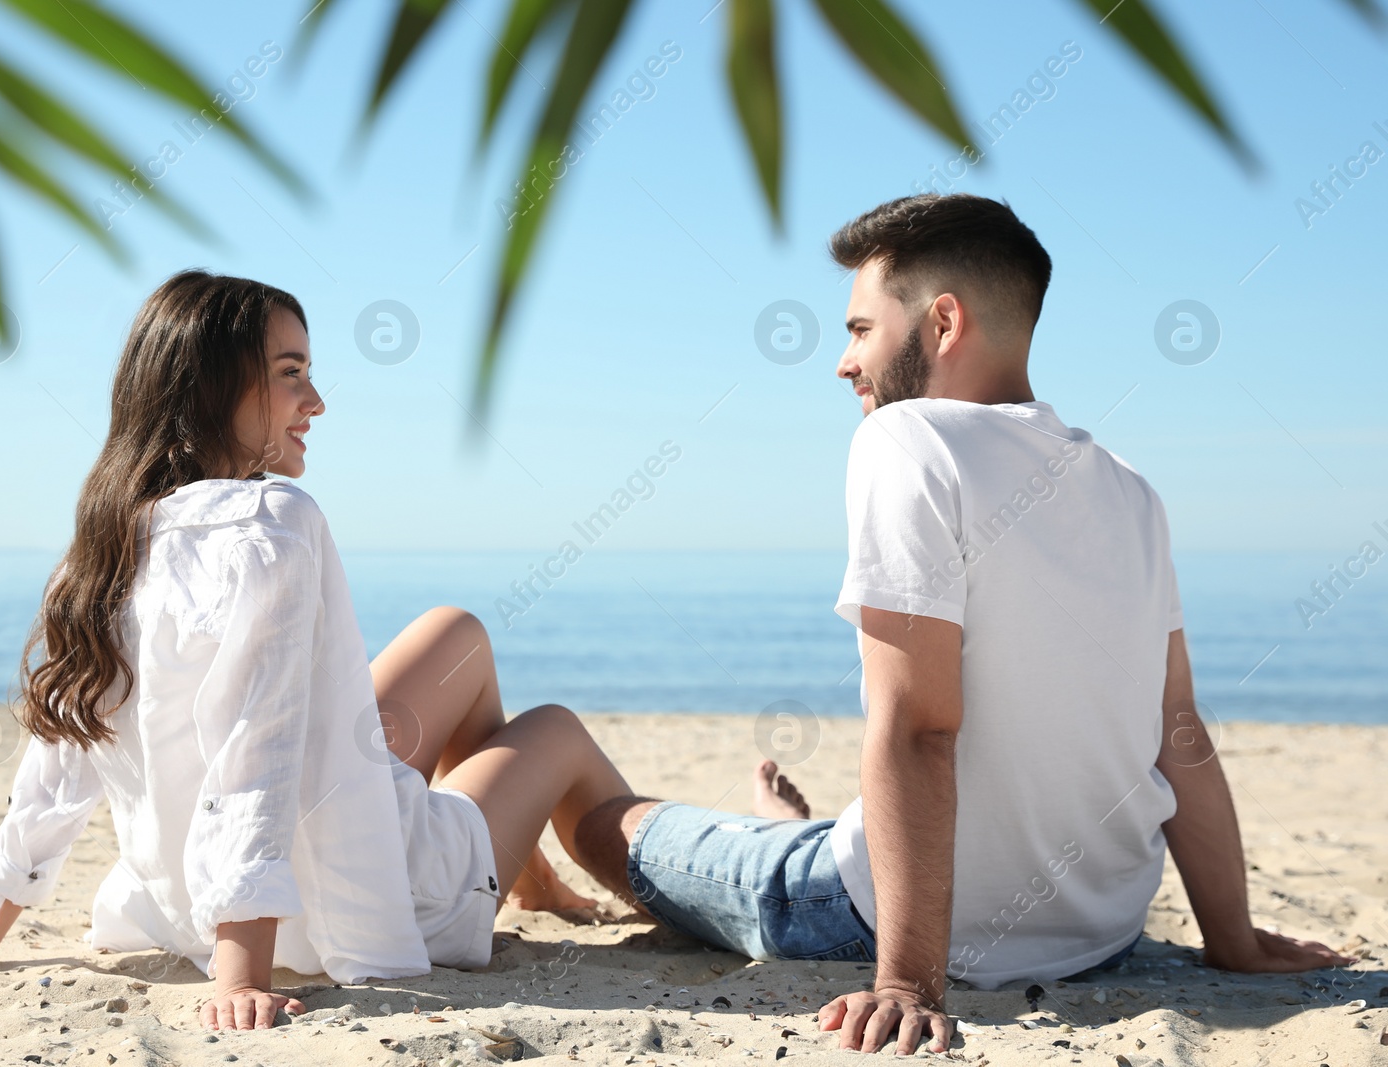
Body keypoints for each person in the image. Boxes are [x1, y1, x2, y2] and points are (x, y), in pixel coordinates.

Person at [572, 193, 1353, 1056]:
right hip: (1102, 933)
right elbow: (1180, 732)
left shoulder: (906, 440)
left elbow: (919, 725)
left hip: (865, 915)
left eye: (862, 329)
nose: (842, 362)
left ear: (942, 321)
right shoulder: (1131, 489)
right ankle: (798, 822)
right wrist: (1232, 940)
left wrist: (907, 981)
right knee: (812, 825)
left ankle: (796, 837)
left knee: (600, 822)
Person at [0, 269, 634, 1031]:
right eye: (290, 372)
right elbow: (258, 748)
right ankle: (536, 877)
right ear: (211, 387)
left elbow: (59, 763)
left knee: (458, 631)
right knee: (556, 727)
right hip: (376, 897)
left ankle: (532, 879)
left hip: (192, 897)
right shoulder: (274, 521)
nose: (315, 400)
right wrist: (240, 972)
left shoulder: (103, 544)